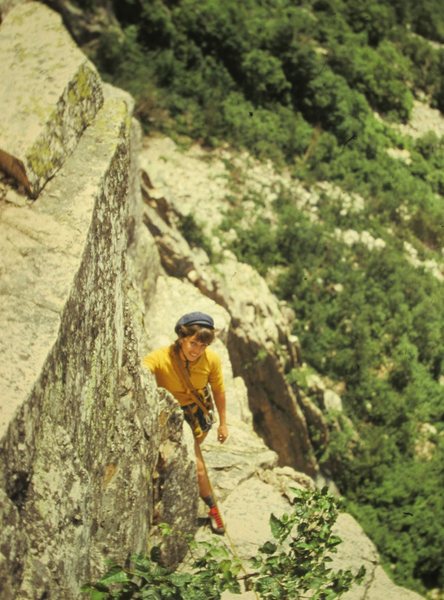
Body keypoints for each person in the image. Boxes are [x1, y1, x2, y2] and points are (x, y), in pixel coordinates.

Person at [142, 311, 228, 534]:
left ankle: (213, 509)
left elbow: (218, 391)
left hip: (196, 417)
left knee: (197, 467)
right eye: (192, 343)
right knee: (185, 462)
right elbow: (142, 369)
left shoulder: (212, 360)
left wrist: (224, 423)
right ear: (182, 338)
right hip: (171, 414)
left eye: (202, 346)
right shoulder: (161, 358)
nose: (196, 350)